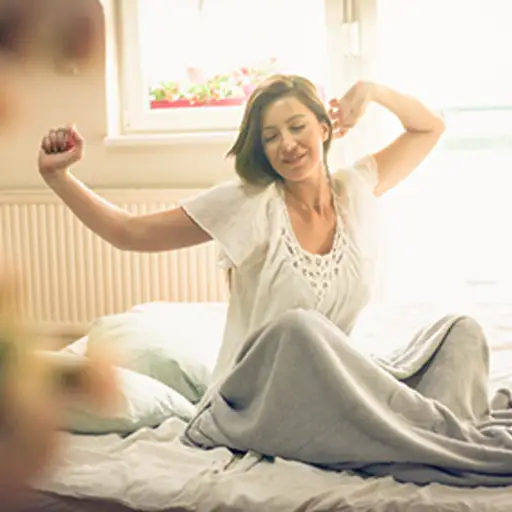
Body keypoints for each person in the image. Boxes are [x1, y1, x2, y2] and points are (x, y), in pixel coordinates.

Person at [38, 75, 445, 390]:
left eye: (297, 126)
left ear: (324, 128)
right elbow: (130, 232)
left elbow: (429, 128)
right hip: (258, 395)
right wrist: (58, 177)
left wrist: (371, 90)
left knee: (458, 337)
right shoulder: (249, 203)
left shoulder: (354, 189)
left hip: (338, 385)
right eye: (271, 137)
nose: (287, 144)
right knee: (298, 330)